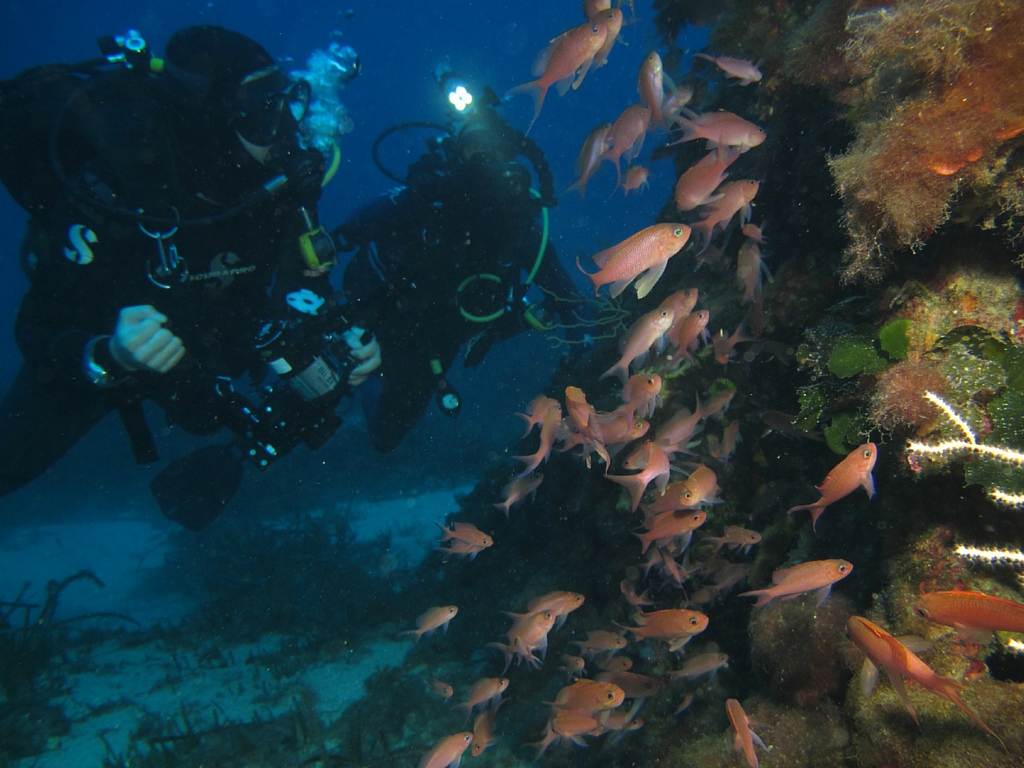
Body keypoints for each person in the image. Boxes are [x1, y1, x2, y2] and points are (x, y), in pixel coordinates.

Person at [0, 26, 380, 529]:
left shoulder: (279, 181)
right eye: (262, 103)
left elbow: (304, 286)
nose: (287, 123)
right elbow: (38, 326)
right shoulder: (121, 179)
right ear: (216, 111)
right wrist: (107, 356)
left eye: (285, 97)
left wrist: (346, 340)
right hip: (102, 347)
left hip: (204, 345)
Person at [335, 78, 580, 453]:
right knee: (314, 388)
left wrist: (586, 358)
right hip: (382, 314)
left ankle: (368, 383)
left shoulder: (518, 221)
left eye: (491, 150)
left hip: (438, 341)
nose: (483, 161)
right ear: (453, 154)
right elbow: (345, 233)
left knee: (385, 435)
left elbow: (565, 295)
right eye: (472, 151)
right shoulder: (426, 196)